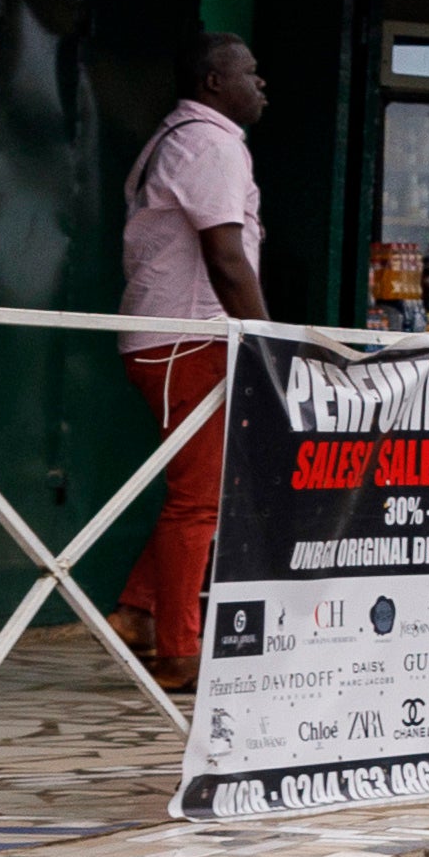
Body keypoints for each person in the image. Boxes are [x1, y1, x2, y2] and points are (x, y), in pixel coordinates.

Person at [110, 35, 267, 692]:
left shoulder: (178, 136)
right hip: (188, 337)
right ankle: (179, 651)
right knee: (198, 500)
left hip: (174, 335)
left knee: (208, 491)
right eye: (250, 73)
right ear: (213, 81)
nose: (262, 84)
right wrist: (264, 342)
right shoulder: (211, 144)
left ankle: (138, 612)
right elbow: (225, 256)